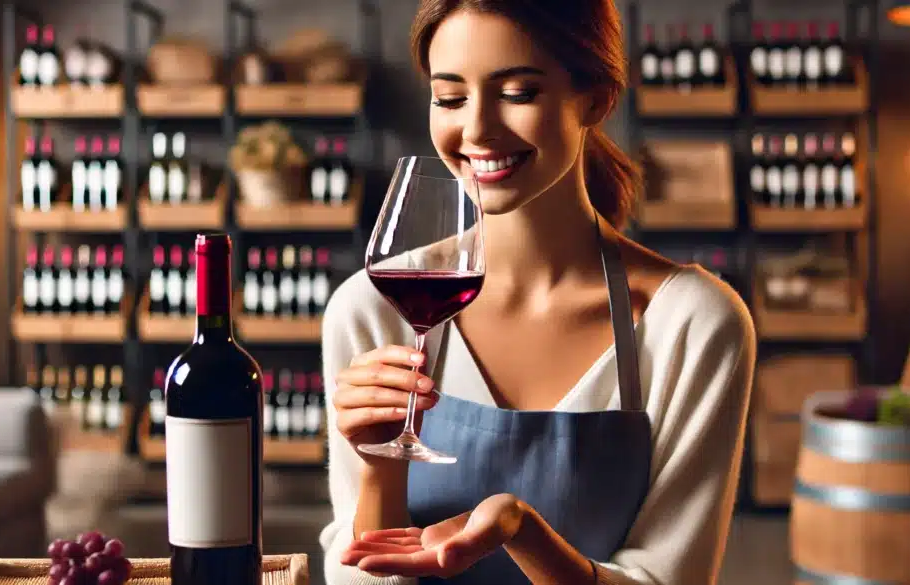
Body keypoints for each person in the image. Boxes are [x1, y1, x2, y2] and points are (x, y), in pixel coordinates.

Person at [318, 0, 756, 583]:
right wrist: (378, 470)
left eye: (518, 92)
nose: (476, 130)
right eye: (450, 98)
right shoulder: (371, 309)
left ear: (594, 98)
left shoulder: (693, 324)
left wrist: (524, 534)